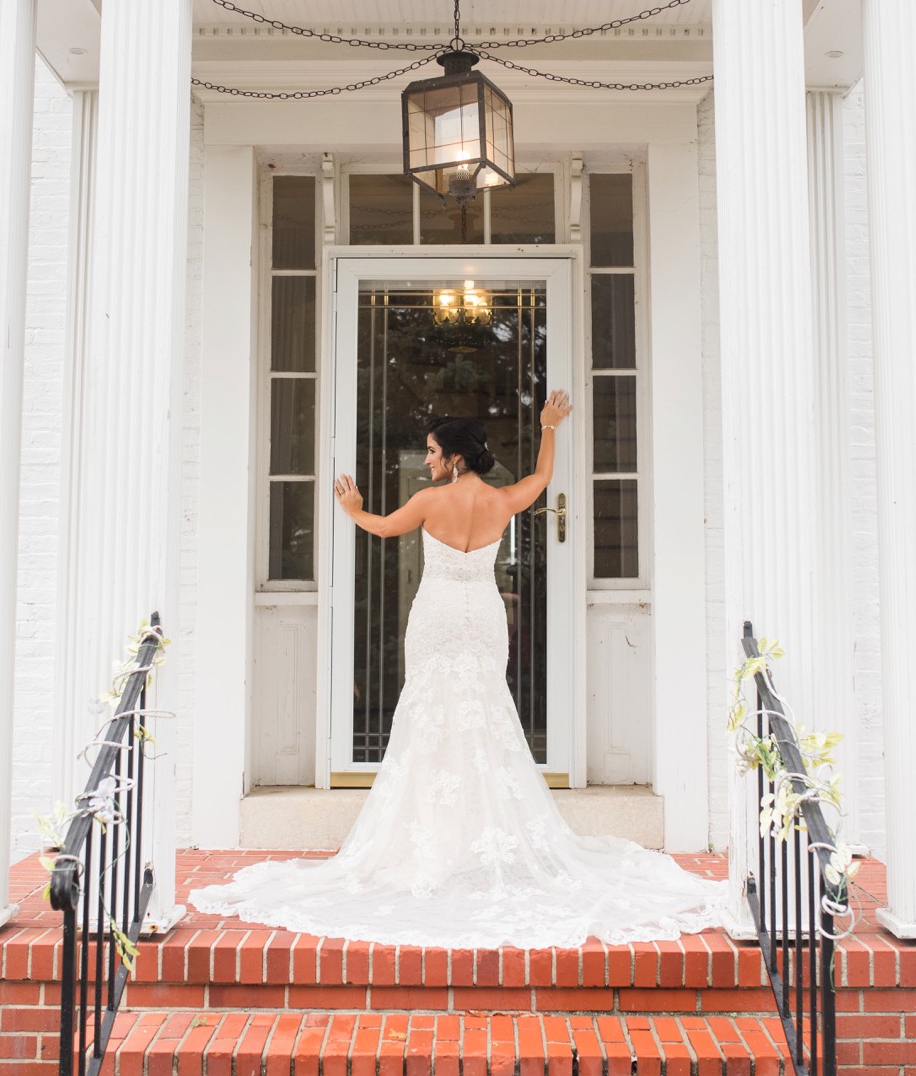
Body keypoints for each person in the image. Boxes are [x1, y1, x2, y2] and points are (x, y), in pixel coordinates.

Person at [189, 391, 726, 946]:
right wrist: (548, 427)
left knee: (430, 718)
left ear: (455, 458)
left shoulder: (428, 501)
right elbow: (543, 478)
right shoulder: (501, 502)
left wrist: (352, 509)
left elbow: (382, 529)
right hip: (484, 614)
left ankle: (433, 839)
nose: (426, 460)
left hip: (439, 613)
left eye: (431, 451)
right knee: (485, 713)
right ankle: (477, 834)